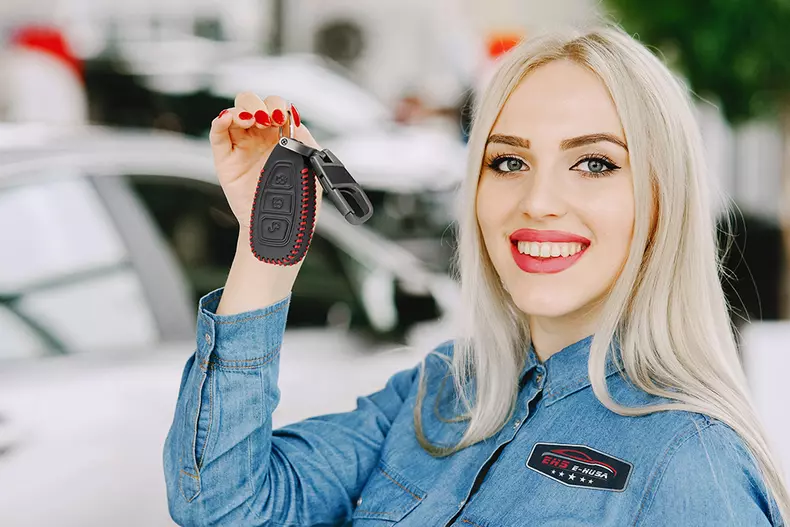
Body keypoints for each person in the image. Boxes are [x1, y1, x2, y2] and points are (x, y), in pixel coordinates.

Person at [164, 25, 789, 526]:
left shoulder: (691, 467)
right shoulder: (440, 391)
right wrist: (265, 251)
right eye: (509, 161)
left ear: (660, 200)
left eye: (595, 164)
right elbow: (225, 507)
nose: (538, 200)